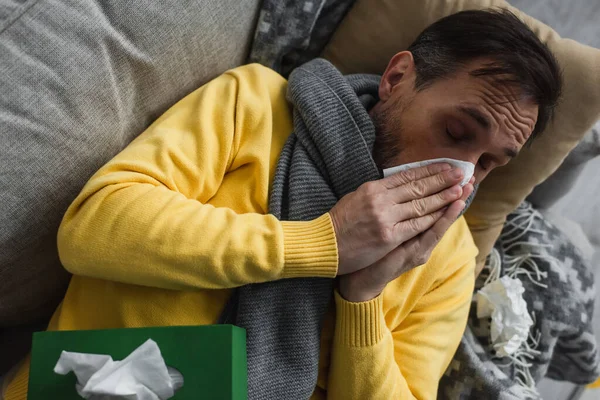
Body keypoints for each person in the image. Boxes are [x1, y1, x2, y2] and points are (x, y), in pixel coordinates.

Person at [4, 9, 561, 400]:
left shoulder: (449, 256)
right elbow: (93, 227)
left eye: (488, 165)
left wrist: (361, 295)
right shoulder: (256, 104)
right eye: (458, 130)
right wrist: (322, 244)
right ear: (397, 77)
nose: (458, 173)